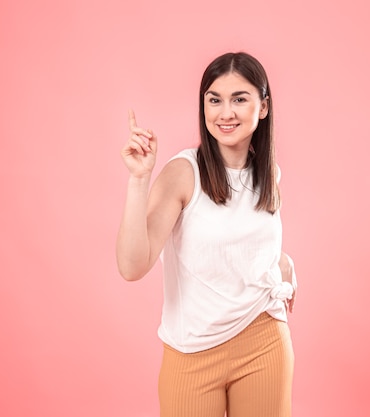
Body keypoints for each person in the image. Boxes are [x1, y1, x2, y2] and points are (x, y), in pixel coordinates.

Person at [116, 51, 297, 417]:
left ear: (263, 107)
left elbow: (248, 241)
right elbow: (132, 266)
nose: (224, 113)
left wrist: (284, 264)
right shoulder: (184, 173)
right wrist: (139, 179)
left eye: (239, 99)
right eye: (214, 99)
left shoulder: (269, 173)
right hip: (193, 352)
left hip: (263, 340)